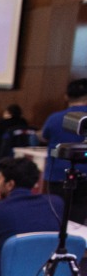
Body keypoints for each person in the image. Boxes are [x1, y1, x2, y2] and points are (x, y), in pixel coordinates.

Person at [40, 77, 87, 223]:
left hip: (57, 174)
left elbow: (43, 137)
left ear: (66, 96)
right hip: (85, 175)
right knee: (78, 216)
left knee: (56, 216)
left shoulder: (54, 118)